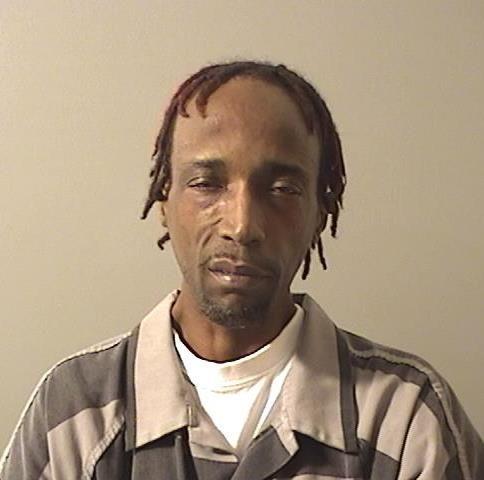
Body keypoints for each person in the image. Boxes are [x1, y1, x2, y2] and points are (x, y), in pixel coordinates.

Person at [1, 61, 482, 480]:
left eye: (282, 189)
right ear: (165, 201)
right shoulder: (75, 412)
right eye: (206, 183)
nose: (242, 225)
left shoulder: (405, 416)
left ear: (319, 213)